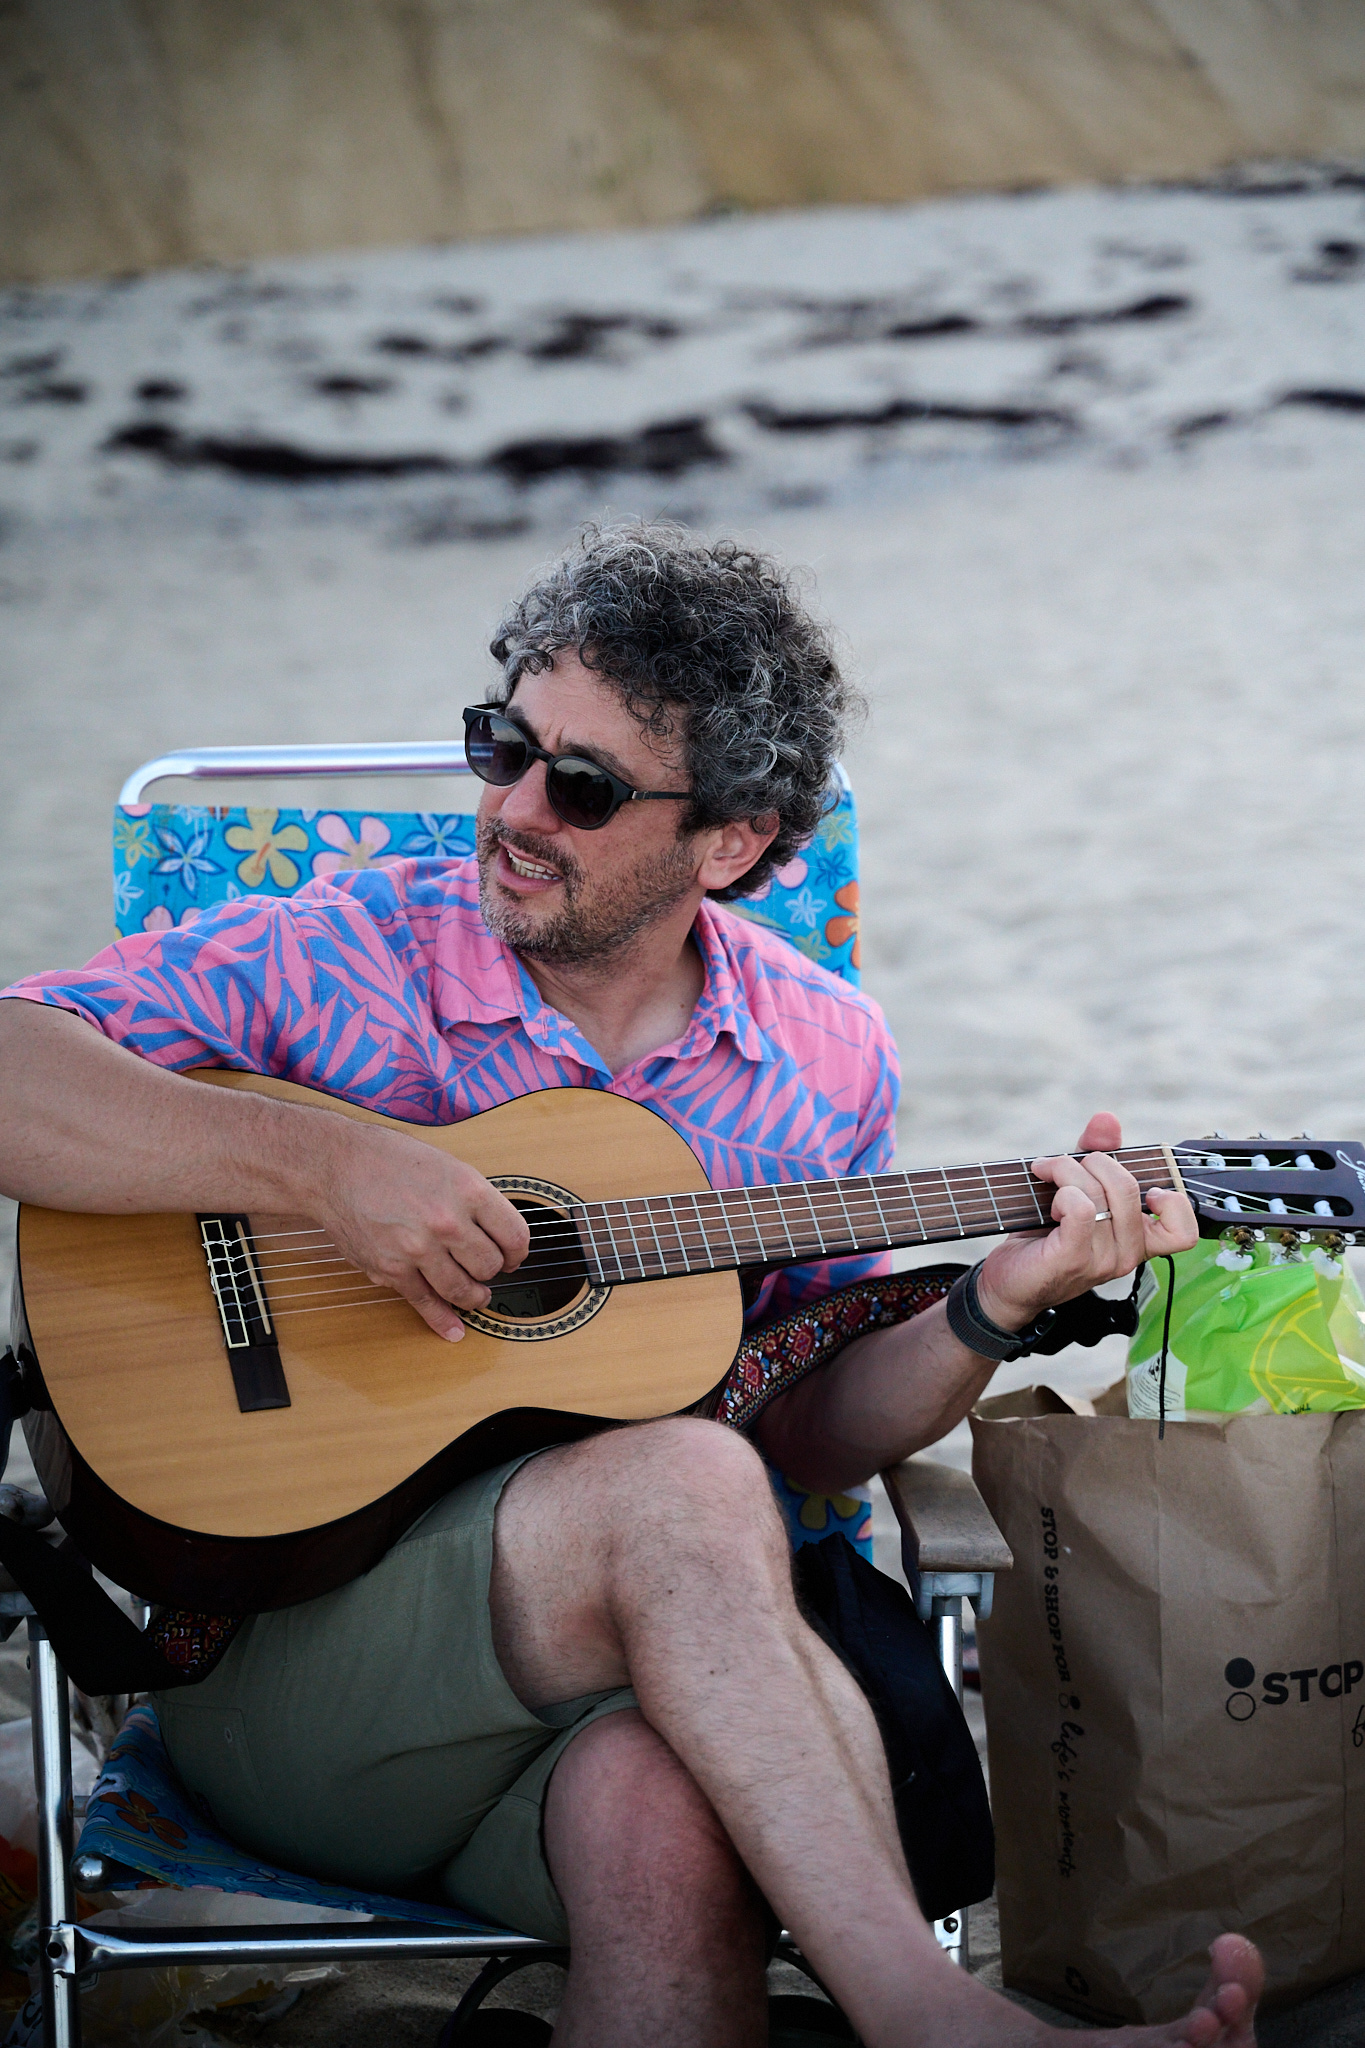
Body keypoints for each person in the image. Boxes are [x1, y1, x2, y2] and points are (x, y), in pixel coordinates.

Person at [0, 526, 1260, 2046]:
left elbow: (804, 1438)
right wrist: (318, 1170)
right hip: (283, 1669)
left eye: (581, 787)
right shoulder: (343, 953)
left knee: (671, 1816)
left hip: (601, 1706)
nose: (515, 812)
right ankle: (928, 2015)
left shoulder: (821, 1051)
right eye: (505, 749)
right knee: (676, 1474)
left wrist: (990, 1308)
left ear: (729, 842)